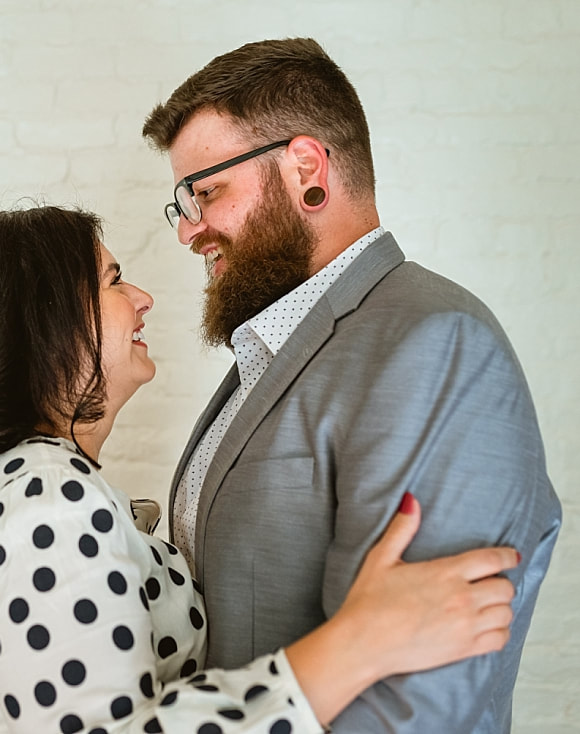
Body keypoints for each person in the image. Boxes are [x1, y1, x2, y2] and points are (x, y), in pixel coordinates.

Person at [0, 205, 520, 734]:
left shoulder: (6, 490)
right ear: (50, 323)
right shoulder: (46, 502)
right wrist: (359, 643)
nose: (143, 297)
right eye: (113, 280)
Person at [141, 38, 561, 733]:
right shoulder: (267, 350)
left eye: (206, 192)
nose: (190, 231)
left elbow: (416, 703)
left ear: (307, 170)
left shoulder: (436, 345)